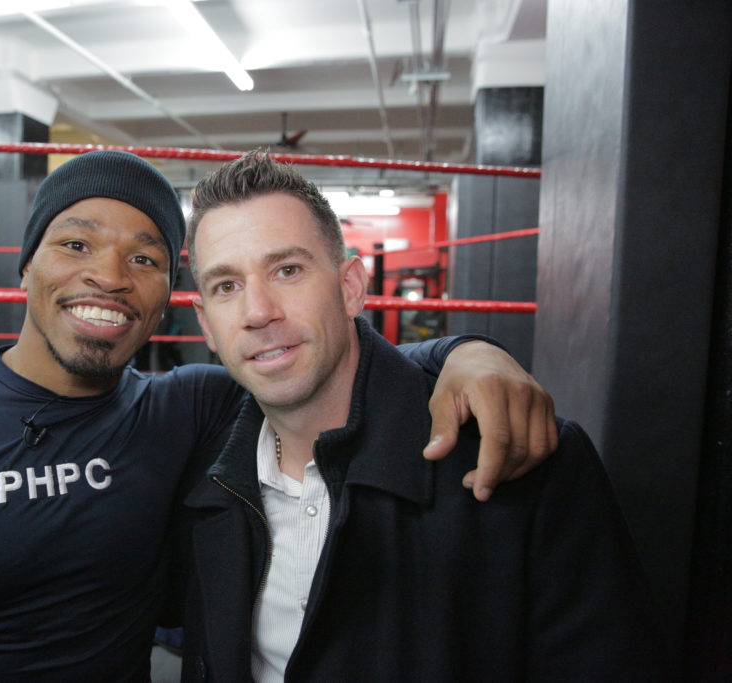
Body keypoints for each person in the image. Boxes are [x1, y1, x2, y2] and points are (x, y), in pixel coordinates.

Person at [0, 151, 557, 681]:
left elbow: (325, 357)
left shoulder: (188, 405)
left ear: (168, 303)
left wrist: (466, 353)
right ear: (27, 266)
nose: (110, 276)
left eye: (147, 257)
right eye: (76, 241)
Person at [180, 152, 659, 681]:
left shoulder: (526, 459)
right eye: (227, 286)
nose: (256, 312)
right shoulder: (203, 465)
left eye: (287, 270)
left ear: (351, 287)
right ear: (204, 322)